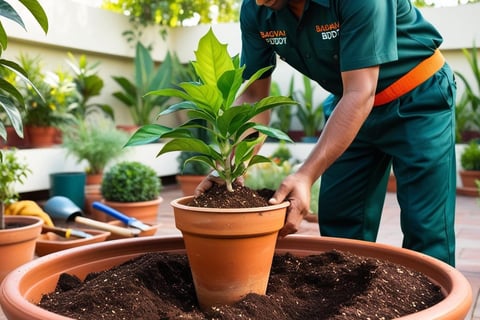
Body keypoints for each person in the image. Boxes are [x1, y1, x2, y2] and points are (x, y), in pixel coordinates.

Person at [197, 0, 457, 266]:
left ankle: (439, 305)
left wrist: (305, 175)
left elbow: (361, 91)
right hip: (348, 104)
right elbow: (254, 96)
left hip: (417, 99)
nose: (258, 1)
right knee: (340, 227)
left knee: (425, 229)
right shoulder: (256, 9)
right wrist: (229, 166)